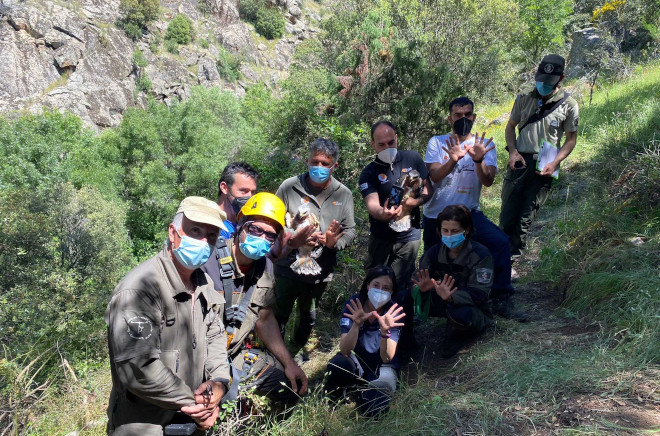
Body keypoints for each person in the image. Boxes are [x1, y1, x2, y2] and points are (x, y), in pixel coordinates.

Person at [105, 197, 230, 435]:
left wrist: (219, 382)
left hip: (190, 421)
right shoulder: (140, 288)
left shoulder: (204, 283)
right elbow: (139, 367)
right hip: (145, 425)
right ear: (173, 233)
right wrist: (196, 405)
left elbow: (215, 336)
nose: (203, 241)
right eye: (195, 231)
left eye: (211, 236)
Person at [424, 97, 526, 321]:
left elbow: (488, 181)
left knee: (499, 242)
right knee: (432, 261)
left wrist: (478, 160)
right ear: (449, 118)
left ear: (474, 117)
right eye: (457, 115)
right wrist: (451, 160)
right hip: (436, 215)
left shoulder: (485, 144)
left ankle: (501, 296)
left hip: (468, 213)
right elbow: (434, 176)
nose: (463, 119)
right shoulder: (437, 142)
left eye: (467, 115)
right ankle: (432, 304)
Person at [201, 192, 308, 406]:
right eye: (255, 229)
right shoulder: (208, 261)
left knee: (290, 390)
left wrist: (289, 363)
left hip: (235, 355)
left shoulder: (265, 267)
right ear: (241, 225)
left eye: (270, 235)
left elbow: (265, 319)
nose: (261, 238)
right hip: (200, 361)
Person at [273, 138, 356, 356]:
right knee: (277, 313)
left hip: (320, 272)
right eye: (315, 162)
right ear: (307, 161)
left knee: (307, 317)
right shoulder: (289, 187)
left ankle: (292, 353)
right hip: (286, 268)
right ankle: (271, 356)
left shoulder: (343, 194)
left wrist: (334, 242)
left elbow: (350, 230)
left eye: (324, 164)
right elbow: (272, 223)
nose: (319, 167)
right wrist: (294, 238)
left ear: (334, 166)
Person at [358, 121, 430, 348]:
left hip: (409, 236)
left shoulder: (413, 159)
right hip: (381, 239)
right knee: (373, 287)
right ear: (372, 144)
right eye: (381, 144)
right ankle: (366, 337)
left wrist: (414, 202)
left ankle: (404, 339)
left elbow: (427, 191)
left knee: (400, 289)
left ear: (397, 138)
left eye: (392, 142)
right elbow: (372, 206)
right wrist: (384, 213)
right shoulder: (369, 173)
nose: (388, 147)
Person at [500, 54, 579, 258]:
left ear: (561, 78)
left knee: (527, 214)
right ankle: (500, 255)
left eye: (549, 82)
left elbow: (571, 139)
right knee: (508, 212)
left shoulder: (569, 105)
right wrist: (512, 151)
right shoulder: (524, 97)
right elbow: (510, 127)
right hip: (519, 160)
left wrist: (555, 162)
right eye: (541, 79)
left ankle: (513, 257)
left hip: (546, 162)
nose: (543, 84)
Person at [412, 205, 494, 358]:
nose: (449, 235)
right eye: (445, 231)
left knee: (460, 313)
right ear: (439, 231)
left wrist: (451, 296)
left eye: (455, 231)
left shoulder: (481, 255)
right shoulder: (433, 253)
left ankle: (457, 334)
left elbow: (480, 293)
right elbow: (417, 280)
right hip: (441, 298)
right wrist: (421, 289)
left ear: (467, 230)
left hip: (473, 307)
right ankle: (406, 341)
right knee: (404, 297)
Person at [324, 265, 406, 417]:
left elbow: (386, 357)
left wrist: (385, 332)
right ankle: (334, 401)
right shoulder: (355, 304)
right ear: (368, 285)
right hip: (359, 363)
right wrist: (356, 325)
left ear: (392, 292)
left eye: (386, 287)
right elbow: (345, 350)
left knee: (375, 409)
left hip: (384, 367)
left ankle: (364, 396)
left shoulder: (393, 312)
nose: (380, 290)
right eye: (376, 285)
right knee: (338, 364)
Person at [216, 162, 260, 239]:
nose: (250, 197)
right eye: (243, 191)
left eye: (252, 192)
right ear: (224, 188)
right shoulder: (211, 223)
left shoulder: (248, 221)